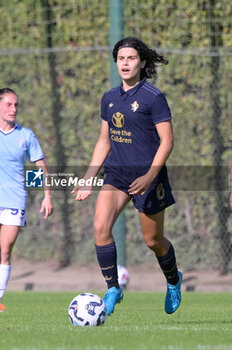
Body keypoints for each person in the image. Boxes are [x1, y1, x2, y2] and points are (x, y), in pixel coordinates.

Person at [72, 37, 182, 316]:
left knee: (153, 241)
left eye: (131, 58)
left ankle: (173, 280)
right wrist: (88, 177)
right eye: (121, 58)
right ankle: (112, 289)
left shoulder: (153, 97)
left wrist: (150, 176)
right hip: (117, 174)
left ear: (142, 62)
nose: (125, 63)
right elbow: (103, 141)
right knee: (100, 226)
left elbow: (167, 141)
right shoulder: (109, 98)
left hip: (149, 177)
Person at [0, 88, 53, 312]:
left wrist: (47, 195)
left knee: (5, 249)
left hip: (14, 200)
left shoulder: (26, 136)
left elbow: (39, 167)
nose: (13, 109)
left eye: (16, 105)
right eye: (9, 104)